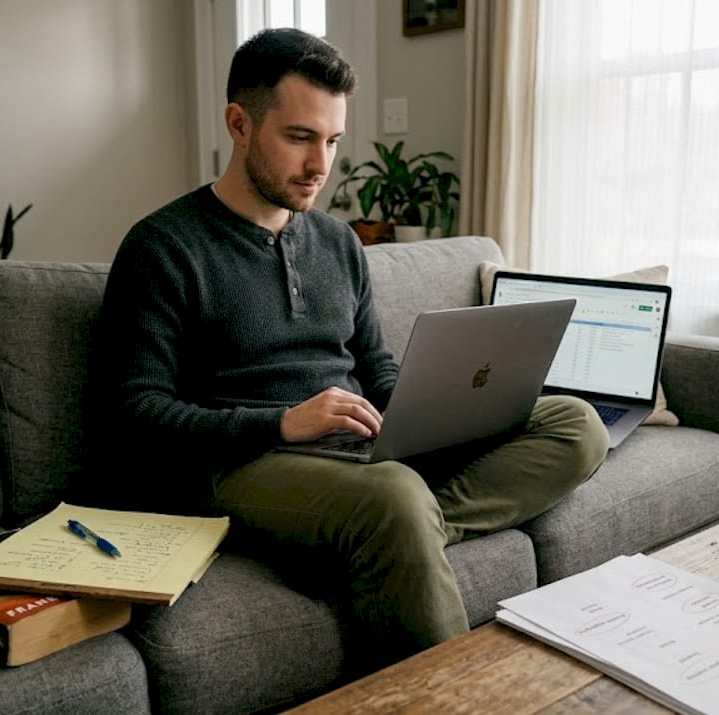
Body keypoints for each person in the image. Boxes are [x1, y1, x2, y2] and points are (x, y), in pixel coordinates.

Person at [96, 27, 608, 664]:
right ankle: (395, 547)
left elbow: (377, 368)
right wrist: (282, 423)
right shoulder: (163, 248)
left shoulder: (340, 244)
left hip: (362, 456)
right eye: (300, 138)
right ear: (239, 124)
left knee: (576, 423)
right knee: (394, 496)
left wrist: (429, 410)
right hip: (241, 468)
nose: (321, 165)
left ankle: (382, 535)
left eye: (333, 140)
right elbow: (135, 414)